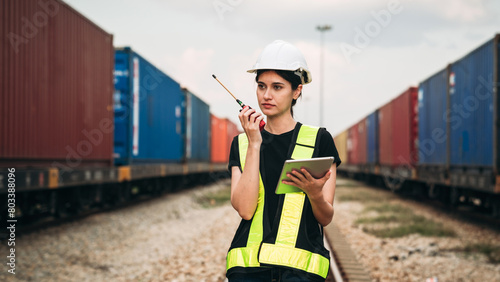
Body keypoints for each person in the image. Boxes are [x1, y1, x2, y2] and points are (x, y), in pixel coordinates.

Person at [225, 40, 342, 282]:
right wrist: (255, 144)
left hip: (300, 271)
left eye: (277, 87)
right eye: (261, 86)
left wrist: (314, 193)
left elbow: (325, 217)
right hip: (249, 269)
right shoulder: (243, 143)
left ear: (297, 90)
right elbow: (245, 211)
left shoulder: (319, 140)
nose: (266, 95)